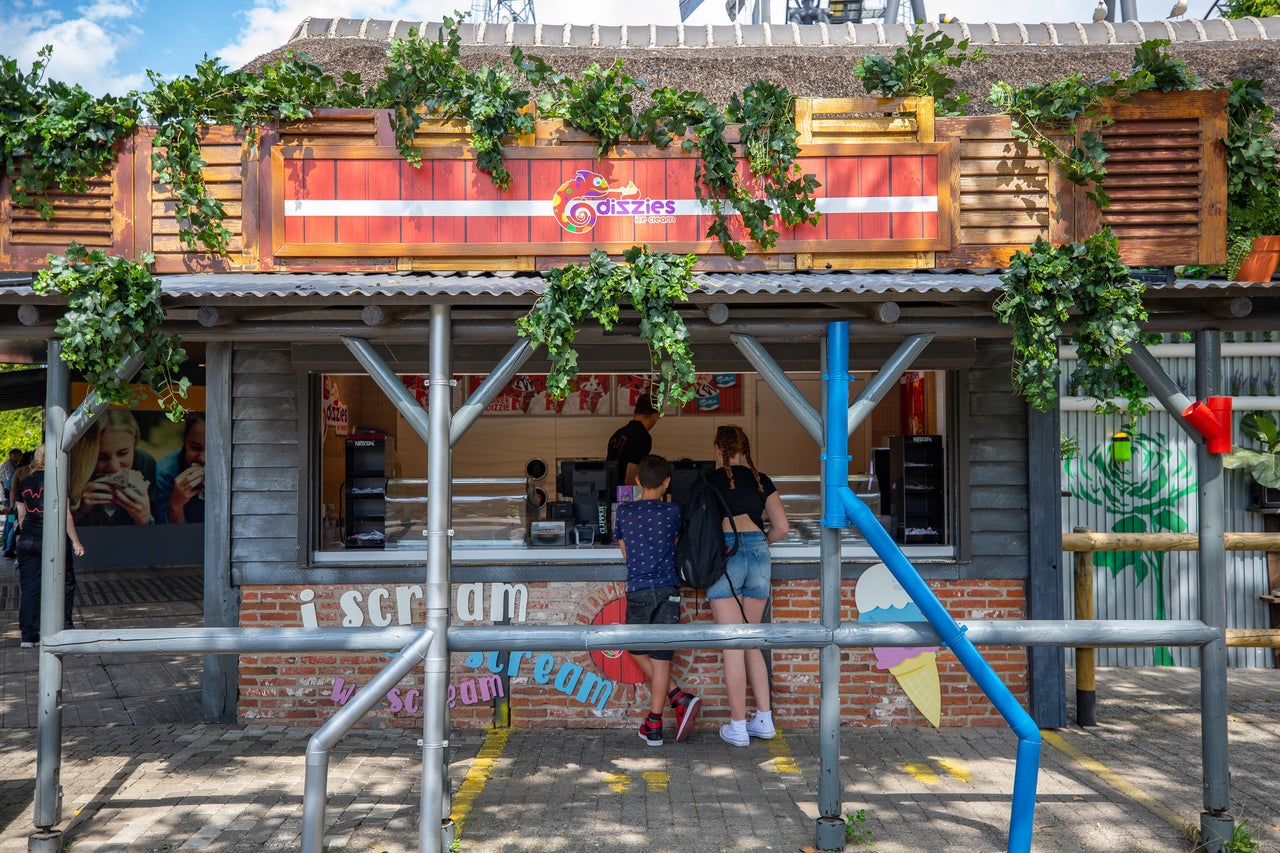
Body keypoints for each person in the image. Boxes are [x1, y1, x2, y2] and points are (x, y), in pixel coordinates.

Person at [706, 425, 790, 747]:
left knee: (732, 644)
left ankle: (738, 726)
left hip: (726, 554)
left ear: (718, 448)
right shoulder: (761, 480)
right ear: (745, 449)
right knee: (752, 639)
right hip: (759, 553)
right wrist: (759, 543)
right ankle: (765, 720)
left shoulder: (709, 480)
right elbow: (781, 527)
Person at [611, 454, 701, 746]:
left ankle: (659, 718)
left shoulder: (624, 512)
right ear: (667, 482)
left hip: (638, 587)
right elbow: (675, 545)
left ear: (637, 481)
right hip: (668, 588)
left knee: (636, 648)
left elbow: (626, 553)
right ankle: (662, 714)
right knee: (661, 660)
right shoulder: (673, 511)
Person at [15, 445, 86, 648]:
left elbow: (22, 516)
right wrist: (75, 541)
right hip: (53, 540)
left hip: (28, 541)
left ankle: (28, 636)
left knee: (30, 587)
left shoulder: (25, 482)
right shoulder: (58, 481)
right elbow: (65, 515)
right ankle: (64, 626)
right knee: (65, 582)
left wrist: (30, 533)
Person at [72, 410, 159, 526]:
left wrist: (144, 519)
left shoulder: (145, 464)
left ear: (135, 441)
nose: (114, 466)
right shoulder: (70, 469)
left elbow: (156, 535)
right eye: (102, 457)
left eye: (123, 453)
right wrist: (79, 510)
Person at [156, 415, 206, 524]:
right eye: (195, 447)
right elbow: (170, 535)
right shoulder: (165, 473)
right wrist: (176, 505)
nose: (203, 458)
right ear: (184, 442)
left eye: (213, 449)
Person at [606, 396, 661, 487]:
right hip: (625, 496)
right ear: (655, 415)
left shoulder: (618, 434)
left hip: (610, 493)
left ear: (635, 412)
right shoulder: (642, 437)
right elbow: (630, 479)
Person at [1, 447, 22, 558]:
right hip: (9, 498)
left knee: (9, 522)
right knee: (12, 522)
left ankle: (6, 545)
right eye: (18, 455)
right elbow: (11, 484)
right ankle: (8, 547)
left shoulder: (10, 465)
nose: (19, 457)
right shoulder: (10, 467)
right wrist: (11, 504)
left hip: (7, 498)